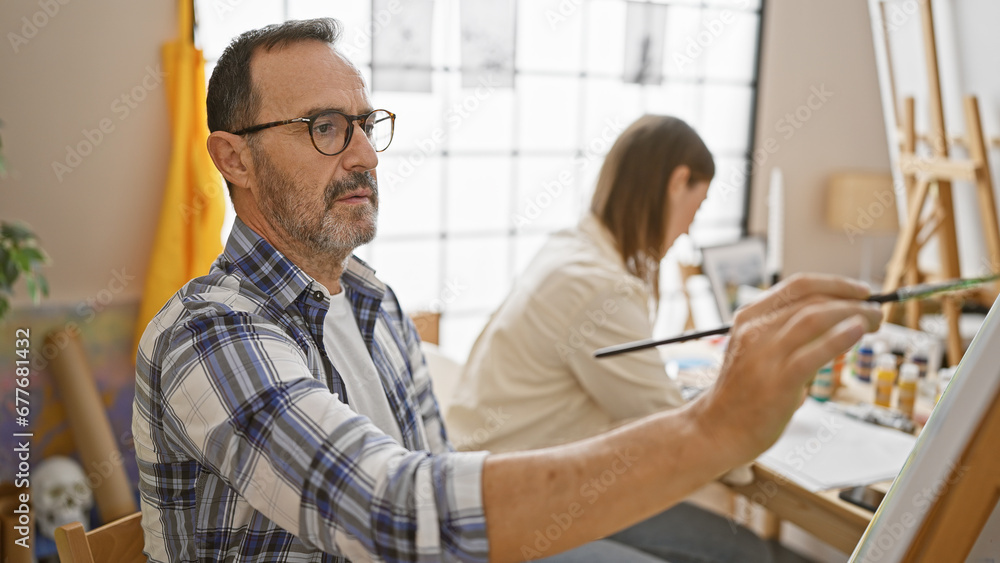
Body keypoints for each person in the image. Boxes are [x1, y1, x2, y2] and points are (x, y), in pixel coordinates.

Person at [133, 18, 883, 563]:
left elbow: (437, 473)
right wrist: (716, 426)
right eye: (325, 127)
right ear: (233, 157)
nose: (364, 153)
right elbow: (391, 513)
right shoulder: (209, 333)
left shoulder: (372, 302)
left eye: (365, 123)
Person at [445, 115, 794, 562]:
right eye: (698, 205)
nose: (689, 228)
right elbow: (683, 430)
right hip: (514, 500)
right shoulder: (596, 286)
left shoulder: (571, 250)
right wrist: (757, 409)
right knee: (743, 552)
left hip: (489, 475)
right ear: (677, 181)